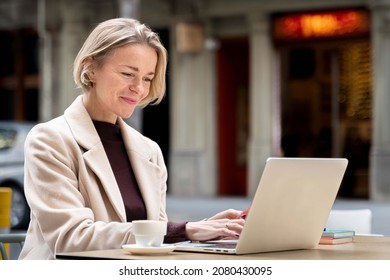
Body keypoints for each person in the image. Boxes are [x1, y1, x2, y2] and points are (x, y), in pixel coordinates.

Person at [19, 18, 245, 260]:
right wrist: (186, 229)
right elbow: (70, 237)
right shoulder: (50, 140)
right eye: (128, 74)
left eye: (147, 78)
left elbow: (155, 238)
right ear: (91, 68)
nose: (139, 88)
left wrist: (206, 229)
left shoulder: (149, 150)